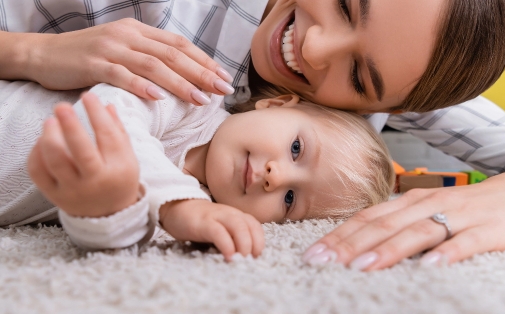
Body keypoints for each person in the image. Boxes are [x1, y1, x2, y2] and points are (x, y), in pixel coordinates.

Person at [0, 0, 505, 268]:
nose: (314, 49)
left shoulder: (403, 78)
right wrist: (33, 52)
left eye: (359, 77)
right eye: (345, 2)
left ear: (396, 108)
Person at [0, 80, 394, 259]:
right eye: (296, 149)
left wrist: (110, 210)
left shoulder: (196, 212)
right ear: (277, 105)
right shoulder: (192, 98)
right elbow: (105, 113)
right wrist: (180, 205)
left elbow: (107, 238)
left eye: (290, 200)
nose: (277, 177)